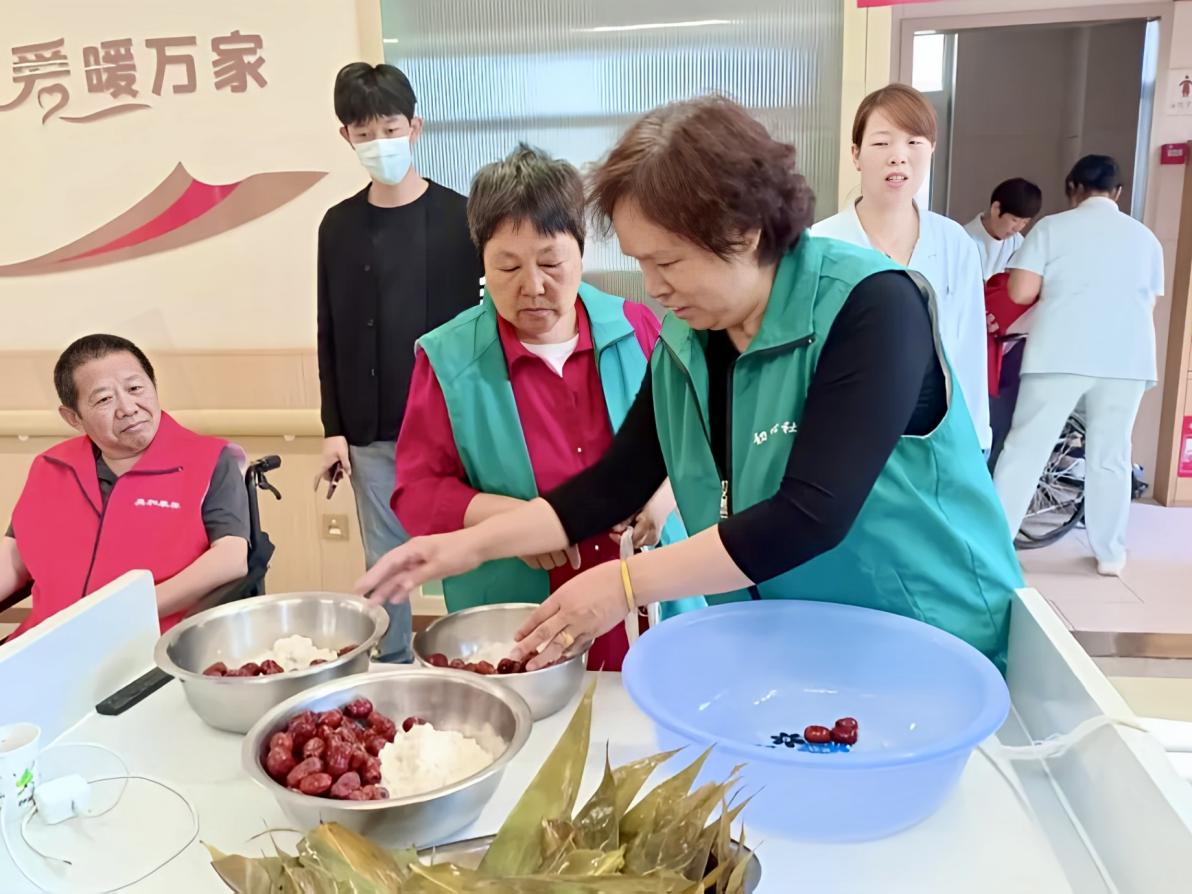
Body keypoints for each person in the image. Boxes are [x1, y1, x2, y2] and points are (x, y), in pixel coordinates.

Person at [355, 96, 1021, 672]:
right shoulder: (688, 337)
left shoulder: (872, 306)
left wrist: (622, 584)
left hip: (923, 637)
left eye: (667, 261)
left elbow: (810, 515)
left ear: (743, 232)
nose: (652, 288)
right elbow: (612, 484)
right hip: (795, 646)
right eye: (641, 262)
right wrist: (461, 547)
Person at [392, 144, 703, 670]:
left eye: (551, 263)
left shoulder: (640, 327)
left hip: (644, 593)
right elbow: (417, 492)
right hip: (519, 612)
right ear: (482, 262)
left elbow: (695, 438)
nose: (533, 286)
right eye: (508, 266)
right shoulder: (447, 357)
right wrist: (518, 523)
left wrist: (663, 498)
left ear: (581, 252)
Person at [314, 63, 484, 662]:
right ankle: (390, 669)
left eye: (389, 129)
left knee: (469, 553)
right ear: (347, 137)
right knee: (386, 563)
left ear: (415, 126)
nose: (378, 143)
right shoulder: (338, 226)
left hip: (456, 427)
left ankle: (478, 658)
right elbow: (329, 331)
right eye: (364, 133)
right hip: (373, 429)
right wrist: (333, 428)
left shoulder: (463, 218)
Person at [1, 335, 250, 638]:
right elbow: (15, 558)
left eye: (135, 389)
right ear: (74, 418)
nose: (128, 408)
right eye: (104, 399)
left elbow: (230, 558)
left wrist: (127, 613)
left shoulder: (210, 460)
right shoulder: (51, 466)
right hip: (43, 645)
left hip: (152, 643)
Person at [994, 155, 1164, 577]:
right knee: (1111, 455)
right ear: (1118, 192)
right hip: (1126, 358)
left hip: (1060, 353)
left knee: (1026, 450)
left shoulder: (1052, 229)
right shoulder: (1146, 239)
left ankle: (996, 545)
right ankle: (1110, 554)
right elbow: (1149, 302)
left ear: (1072, 187)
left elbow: (1020, 292)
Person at [811, 84, 991, 455]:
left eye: (914, 142)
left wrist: (976, 443)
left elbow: (969, 350)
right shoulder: (820, 244)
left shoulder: (953, 242)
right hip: (843, 439)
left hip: (936, 441)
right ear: (856, 155)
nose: (898, 157)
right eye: (881, 143)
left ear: (931, 150)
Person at [964, 178, 1043, 282]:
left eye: (1025, 222)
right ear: (996, 209)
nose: (1017, 228)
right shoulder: (965, 239)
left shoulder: (1018, 243)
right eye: (1014, 220)